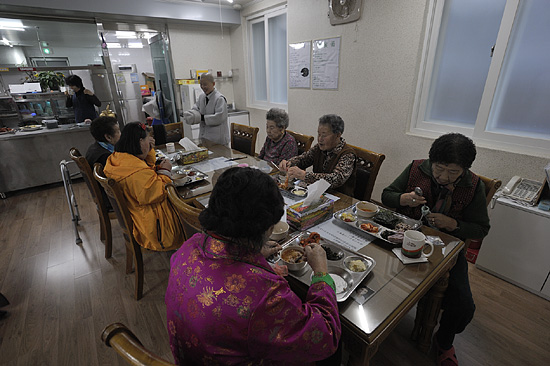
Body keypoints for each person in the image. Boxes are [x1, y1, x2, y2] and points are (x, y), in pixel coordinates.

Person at [165, 167, 341, 365]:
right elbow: (326, 335)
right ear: (265, 228)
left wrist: (253, 253)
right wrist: (320, 273)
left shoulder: (190, 246)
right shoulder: (264, 294)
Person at [381, 133, 490, 366]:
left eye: (453, 172)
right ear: (432, 162)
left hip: (446, 248)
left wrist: (455, 225)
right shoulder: (416, 168)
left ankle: (444, 341)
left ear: (465, 169)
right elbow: (386, 195)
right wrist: (404, 199)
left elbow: (481, 228)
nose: (443, 176)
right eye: (439, 168)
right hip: (405, 236)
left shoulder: (474, 185)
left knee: (463, 305)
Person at [104, 122, 184, 251]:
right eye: (148, 139)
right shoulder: (137, 172)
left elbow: (146, 169)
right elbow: (159, 192)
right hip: (156, 228)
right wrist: (165, 171)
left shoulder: (118, 159)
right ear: (140, 141)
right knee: (190, 206)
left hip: (139, 213)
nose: (150, 142)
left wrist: (149, 150)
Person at [279, 114, 356, 196]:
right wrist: (289, 163)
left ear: (338, 135)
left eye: (324, 135)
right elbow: (304, 159)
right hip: (317, 194)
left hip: (339, 198)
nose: (320, 139)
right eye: (319, 134)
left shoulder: (348, 154)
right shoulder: (318, 148)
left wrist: (305, 175)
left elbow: (336, 179)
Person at [187, 73, 229, 146]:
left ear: (213, 84)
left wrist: (202, 117)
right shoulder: (202, 97)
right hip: (204, 138)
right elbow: (196, 108)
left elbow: (219, 117)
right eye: (201, 84)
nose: (203, 87)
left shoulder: (220, 99)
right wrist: (191, 114)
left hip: (218, 140)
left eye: (205, 84)